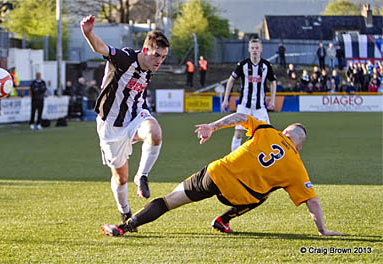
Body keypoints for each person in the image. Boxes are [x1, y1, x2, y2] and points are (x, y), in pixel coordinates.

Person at [101, 113, 344, 237]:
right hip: (239, 197)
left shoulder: (268, 130)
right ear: (299, 146)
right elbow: (312, 201)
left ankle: (126, 226)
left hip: (216, 174)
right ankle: (223, 220)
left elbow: (239, 117)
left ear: (284, 132)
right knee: (264, 194)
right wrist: (322, 230)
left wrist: (213, 127)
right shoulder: (298, 167)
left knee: (168, 201)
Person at [80, 15, 169, 225]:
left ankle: (142, 176)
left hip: (136, 116)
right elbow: (101, 48)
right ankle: (125, 211)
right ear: (146, 50)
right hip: (110, 125)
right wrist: (88, 33)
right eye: (157, 55)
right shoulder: (125, 57)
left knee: (155, 133)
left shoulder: (150, 69)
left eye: (164, 57)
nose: (160, 61)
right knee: (120, 177)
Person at [221, 38, 277, 152]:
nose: (254, 50)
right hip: (244, 105)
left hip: (260, 106)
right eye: (252, 48)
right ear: (249, 49)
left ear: (261, 49)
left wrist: (272, 100)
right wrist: (225, 99)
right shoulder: (243, 65)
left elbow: (273, 81)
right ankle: (234, 160)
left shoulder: (266, 65)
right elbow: (231, 80)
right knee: (238, 133)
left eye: (257, 48)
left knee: (267, 133)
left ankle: (261, 159)